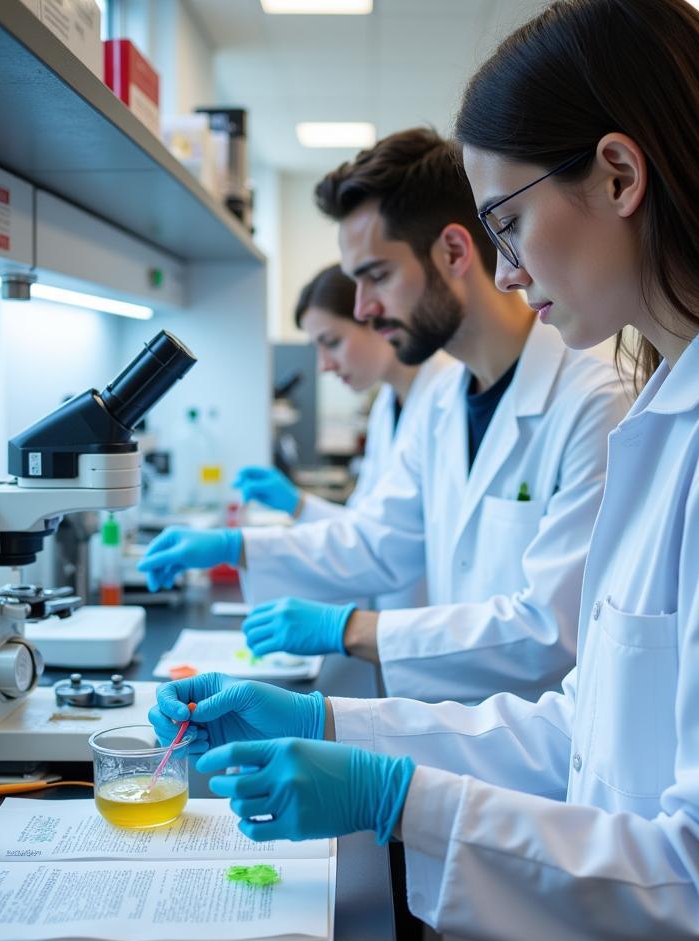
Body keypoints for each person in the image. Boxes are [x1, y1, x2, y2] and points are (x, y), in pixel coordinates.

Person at [151, 2, 699, 941]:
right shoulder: (685, 405)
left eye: (507, 221)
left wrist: (398, 800)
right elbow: (591, 735)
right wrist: (338, 721)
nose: (506, 268)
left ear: (618, 174)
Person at [139, 127, 628, 708]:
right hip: (455, 736)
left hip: (543, 768)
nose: (365, 308)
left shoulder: (597, 406)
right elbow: (380, 542)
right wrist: (237, 547)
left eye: (376, 277)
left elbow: (552, 630)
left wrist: (352, 631)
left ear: (453, 252)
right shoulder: (442, 401)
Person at [235, 263, 453, 611]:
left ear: (375, 320)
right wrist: (299, 504)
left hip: (430, 619)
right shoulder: (386, 405)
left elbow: (387, 544)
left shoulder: (445, 399)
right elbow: (368, 530)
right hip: (395, 618)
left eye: (332, 343)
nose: (323, 365)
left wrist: (241, 546)